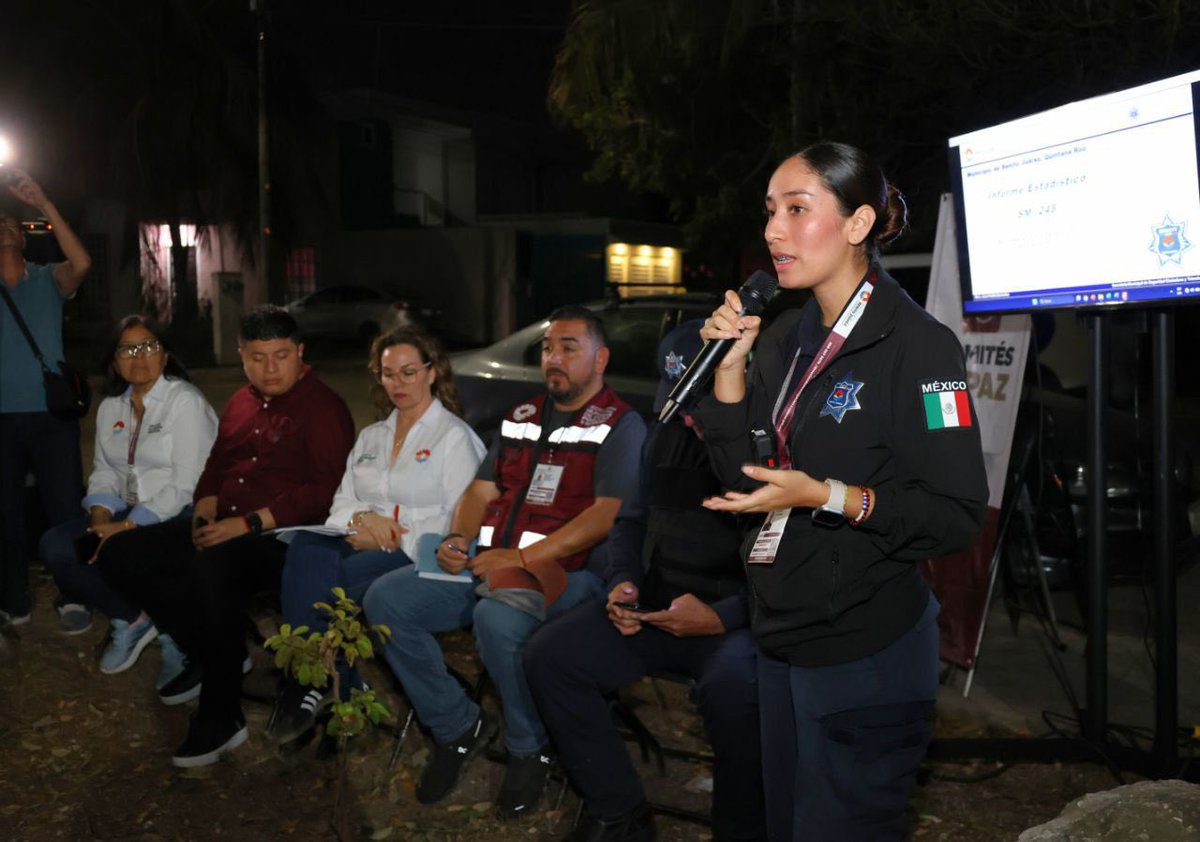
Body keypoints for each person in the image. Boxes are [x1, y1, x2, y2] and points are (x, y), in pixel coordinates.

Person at [695, 143, 987, 841]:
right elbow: (746, 481)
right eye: (770, 211)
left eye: (798, 209)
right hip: (782, 639)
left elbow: (956, 516)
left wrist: (827, 495)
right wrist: (730, 378)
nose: (773, 231)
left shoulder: (924, 348)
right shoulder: (786, 337)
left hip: (867, 655)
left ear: (858, 224)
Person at [363, 305, 646, 819]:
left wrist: (518, 556)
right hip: (491, 561)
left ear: (600, 359)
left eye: (568, 348)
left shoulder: (620, 426)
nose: (553, 358)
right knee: (387, 599)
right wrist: (456, 538)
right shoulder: (522, 416)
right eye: (546, 348)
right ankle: (457, 726)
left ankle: (529, 745)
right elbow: (480, 490)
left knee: (497, 617)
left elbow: (607, 517)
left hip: (567, 574)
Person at [525, 321, 765, 842]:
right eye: (677, 398)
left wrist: (722, 617)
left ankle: (741, 829)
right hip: (656, 612)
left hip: (738, 623)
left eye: (695, 401)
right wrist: (623, 584)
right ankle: (620, 810)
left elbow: (794, 564)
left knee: (734, 690)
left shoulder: (767, 447)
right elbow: (631, 522)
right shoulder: (664, 435)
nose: (685, 415)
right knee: (550, 656)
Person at [97, 305, 355, 767]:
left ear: (300, 353)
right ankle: (215, 648)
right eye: (257, 357)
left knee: (210, 568)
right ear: (242, 356)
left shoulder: (323, 408)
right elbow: (217, 463)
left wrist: (250, 522)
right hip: (227, 527)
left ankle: (221, 715)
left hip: (284, 541)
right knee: (120, 553)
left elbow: (325, 491)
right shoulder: (241, 401)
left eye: (280, 356)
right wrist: (205, 502)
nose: (269, 369)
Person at [267, 327, 486, 744]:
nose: (397, 384)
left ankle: (328, 685)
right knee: (307, 546)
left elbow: (462, 523)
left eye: (408, 372)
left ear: (432, 371)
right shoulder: (372, 437)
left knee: (324, 589)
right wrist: (363, 518)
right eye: (388, 374)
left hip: (421, 554)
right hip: (361, 543)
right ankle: (327, 685)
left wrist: (392, 535)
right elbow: (340, 503)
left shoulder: (454, 438)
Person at [38, 315, 217, 684]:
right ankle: (134, 620)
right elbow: (105, 470)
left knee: (123, 548)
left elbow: (190, 482)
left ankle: (174, 636)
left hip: (181, 513)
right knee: (57, 545)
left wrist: (126, 524)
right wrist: (101, 514)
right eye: (127, 349)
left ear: (165, 356)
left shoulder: (184, 402)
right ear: (115, 360)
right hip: (128, 510)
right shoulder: (111, 409)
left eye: (149, 346)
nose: (139, 357)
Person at [0, 169, 92, 625]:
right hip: (1, 419)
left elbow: (83, 265)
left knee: (64, 508)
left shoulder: (47, 279)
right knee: (5, 512)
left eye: (13, 224)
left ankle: (72, 596)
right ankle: (13, 600)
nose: (6, 228)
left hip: (51, 417)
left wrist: (44, 205)